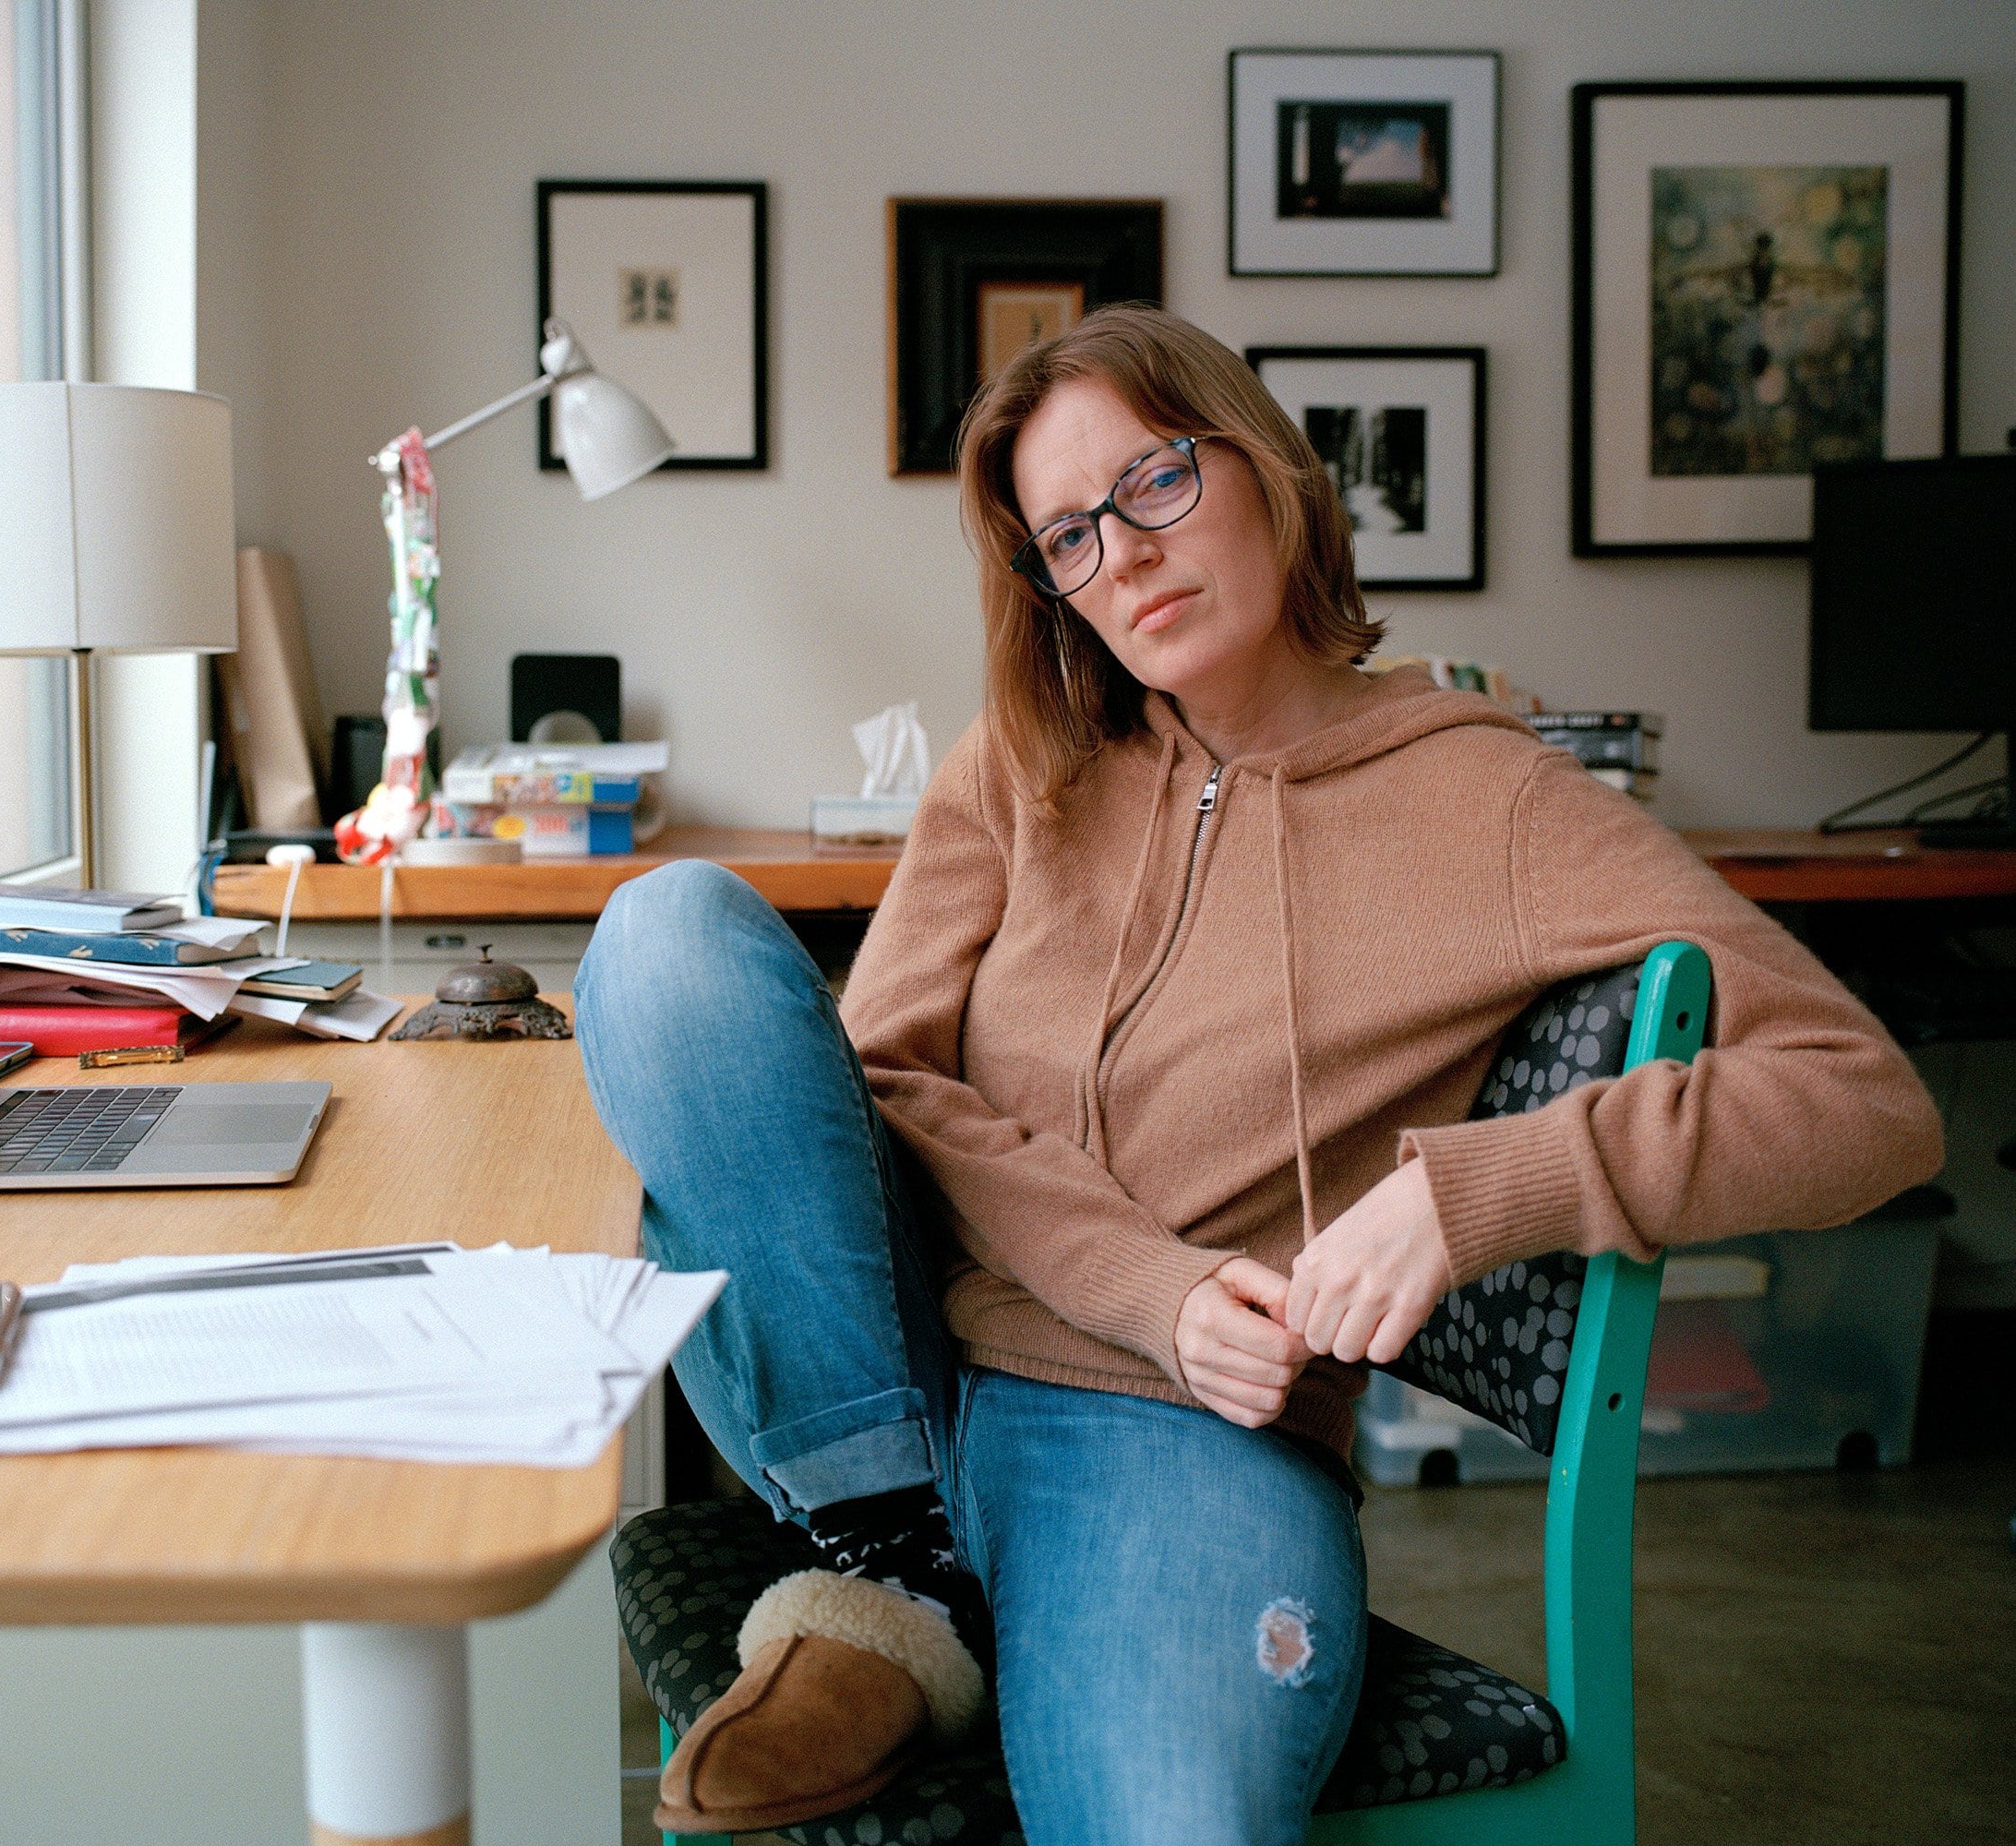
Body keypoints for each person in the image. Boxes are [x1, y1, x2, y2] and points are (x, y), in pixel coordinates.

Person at [572, 305, 1942, 1846]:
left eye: (1155, 482)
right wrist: (1140, 1280)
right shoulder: (1026, 758)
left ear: (1268, 470)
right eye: (1069, 536)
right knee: (667, 931)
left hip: (1174, 1436)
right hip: (876, 1379)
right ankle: (895, 1564)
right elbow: (880, 1080)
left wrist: (1472, 1196)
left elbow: (1863, 1102)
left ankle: (899, 1616)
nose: (1125, 556)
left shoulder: (1492, 800)